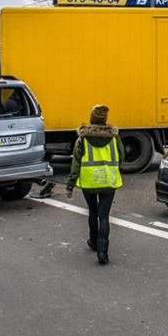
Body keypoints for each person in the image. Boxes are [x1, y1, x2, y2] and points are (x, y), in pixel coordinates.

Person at [65, 104, 122, 265]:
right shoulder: (114, 137)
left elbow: (76, 163)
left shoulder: (82, 138)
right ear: (105, 120)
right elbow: (122, 157)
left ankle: (93, 241)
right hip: (108, 182)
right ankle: (103, 253)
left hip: (89, 182)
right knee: (104, 216)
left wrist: (70, 185)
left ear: (92, 119)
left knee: (93, 212)